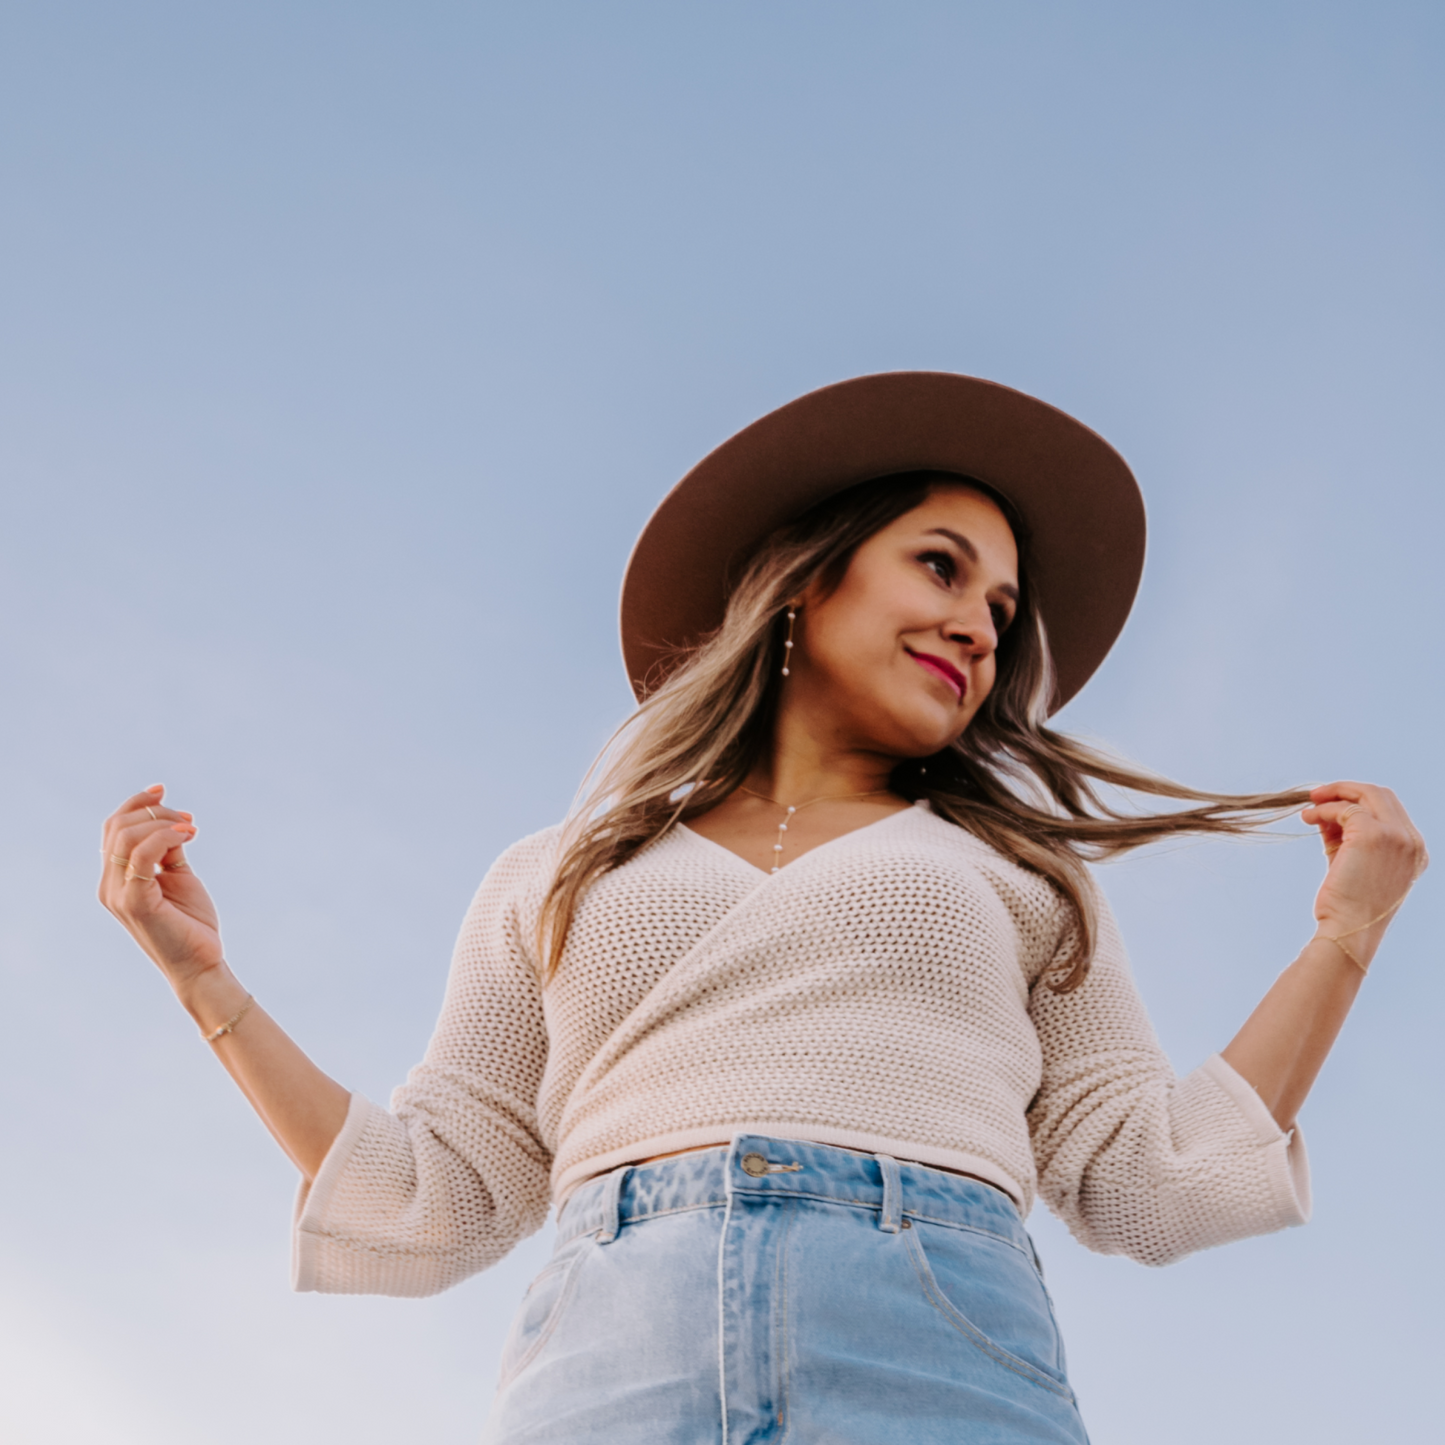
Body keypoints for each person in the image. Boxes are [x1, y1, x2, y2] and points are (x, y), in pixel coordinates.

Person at [99, 373, 1425, 1444]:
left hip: (937, 1343)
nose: (980, 625)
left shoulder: (1022, 877)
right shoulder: (557, 872)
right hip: (606, 1359)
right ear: (808, 579)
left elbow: (1150, 1185)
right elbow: (440, 1195)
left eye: (1004, 608)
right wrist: (205, 984)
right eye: (942, 568)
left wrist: (1348, 934)